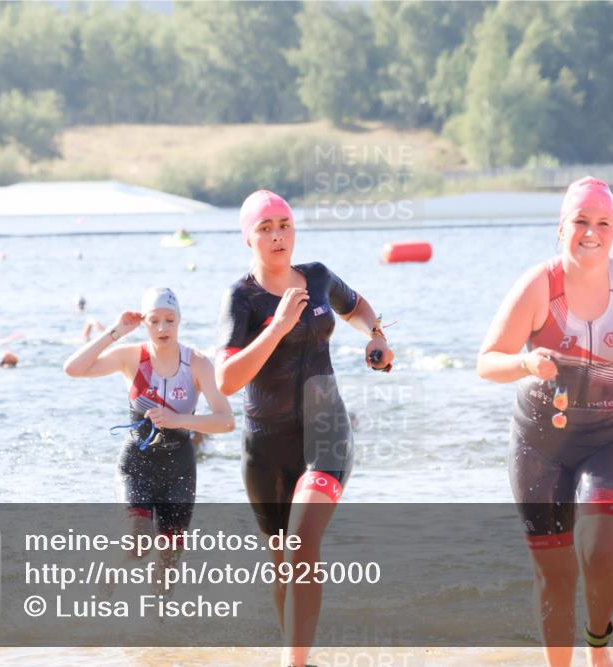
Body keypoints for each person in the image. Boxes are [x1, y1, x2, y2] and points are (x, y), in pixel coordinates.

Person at [477, 177, 613, 667]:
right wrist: (525, 364)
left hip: (611, 437)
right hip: (539, 445)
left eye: (603, 223)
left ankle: (598, 644)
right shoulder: (538, 286)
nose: (592, 232)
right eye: (581, 222)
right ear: (561, 227)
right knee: (555, 574)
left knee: (604, 547)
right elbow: (487, 361)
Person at [214, 189, 394, 667]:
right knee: (284, 565)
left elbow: (355, 306)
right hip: (265, 447)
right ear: (246, 239)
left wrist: (376, 336)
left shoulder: (316, 277)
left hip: (325, 432)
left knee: (299, 545)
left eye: (285, 225)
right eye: (265, 228)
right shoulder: (242, 298)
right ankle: (298, 655)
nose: (277, 236)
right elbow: (226, 380)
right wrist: (275, 327)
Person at [64, 287, 234, 565]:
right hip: (137, 467)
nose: (162, 327)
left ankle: (155, 610)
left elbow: (226, 421)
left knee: (169, 561)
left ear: (179, 321)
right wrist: (116, 331)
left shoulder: (198, 364)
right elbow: (73, 369)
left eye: (169, 319)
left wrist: (178, 420)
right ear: (144, 323)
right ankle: (105, 579)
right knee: (138, 544)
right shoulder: (132, 357)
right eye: (154, 320)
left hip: (179, 471)